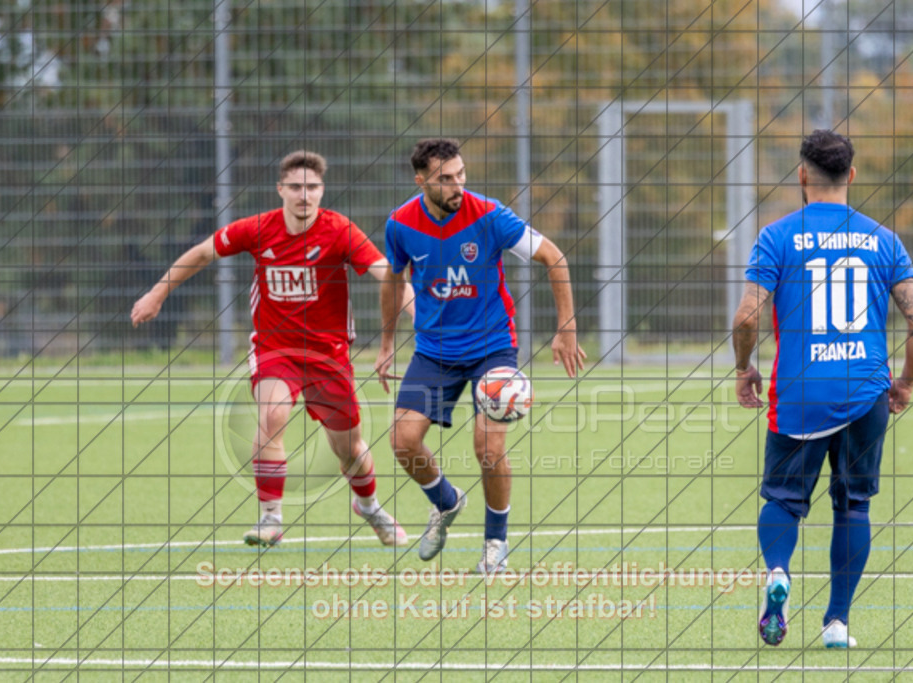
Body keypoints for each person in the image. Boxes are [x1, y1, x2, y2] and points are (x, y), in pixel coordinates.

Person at [131, 150, 414, 549]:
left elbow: (389, 274)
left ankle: (368, 506)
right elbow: (202, 252)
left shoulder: (340, 231)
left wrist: (421, 315)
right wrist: (157, 293)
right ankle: (270, 518)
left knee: (349, 447)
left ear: (322, 191)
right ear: (280, 189)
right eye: (296, 187)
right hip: (274, 349)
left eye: (312, 187)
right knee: (272, 414)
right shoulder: (258, 229)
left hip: (328, 355)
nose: (304, 195)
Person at [732, 130, 913, 648]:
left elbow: (747, 316)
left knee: (782, 498)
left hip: (800, 391)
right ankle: (837, 622)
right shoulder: (883, 239)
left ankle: (778, 572)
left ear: (802, 175)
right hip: (866, 390)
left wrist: (743, 367)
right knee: (854, 506)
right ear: (852, 177)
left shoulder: (776, 236)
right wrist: (905, 382)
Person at [375, 138, 587, 574]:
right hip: (434, 350)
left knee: (487, 446)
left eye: (461, 175)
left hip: (492, 345)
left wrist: (566, 327)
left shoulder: (489, 215)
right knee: (402, 441)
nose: (457, 185)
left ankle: (495, 545)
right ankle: (446, 502)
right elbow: (393, 282)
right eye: (445, 179)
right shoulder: (399, 225)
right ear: (421, 181)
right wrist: (384, 345)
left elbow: (554, 256)